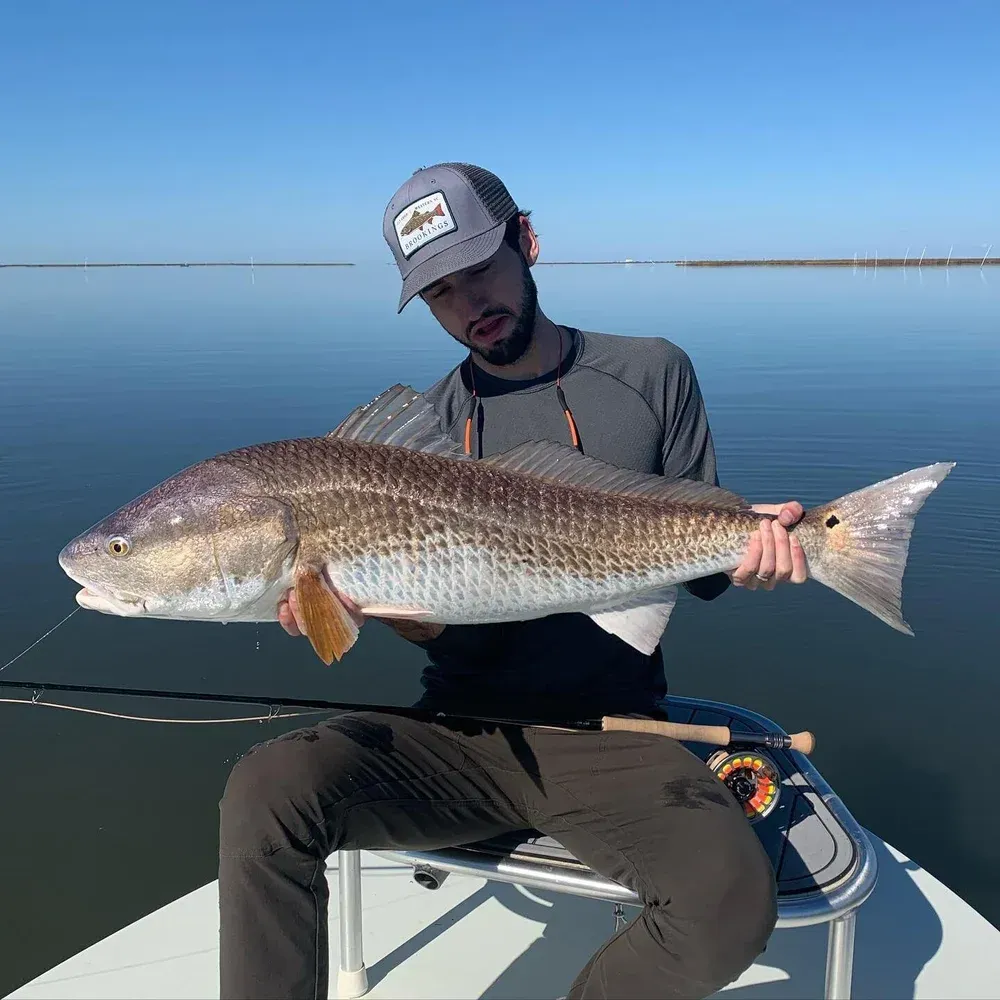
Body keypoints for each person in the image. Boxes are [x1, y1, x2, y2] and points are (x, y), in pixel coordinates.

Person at [218, 162, 808, 1000]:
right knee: (268, 788)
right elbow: (434, 623)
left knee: (732, 899)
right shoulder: (417, 437)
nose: (469, 306)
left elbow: (701, 582)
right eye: (440, 294)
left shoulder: (652, 374)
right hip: (458, 736)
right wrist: (399, 620)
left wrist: (754, 556)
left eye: (481, 271)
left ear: (527, 241)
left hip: (615, 736)